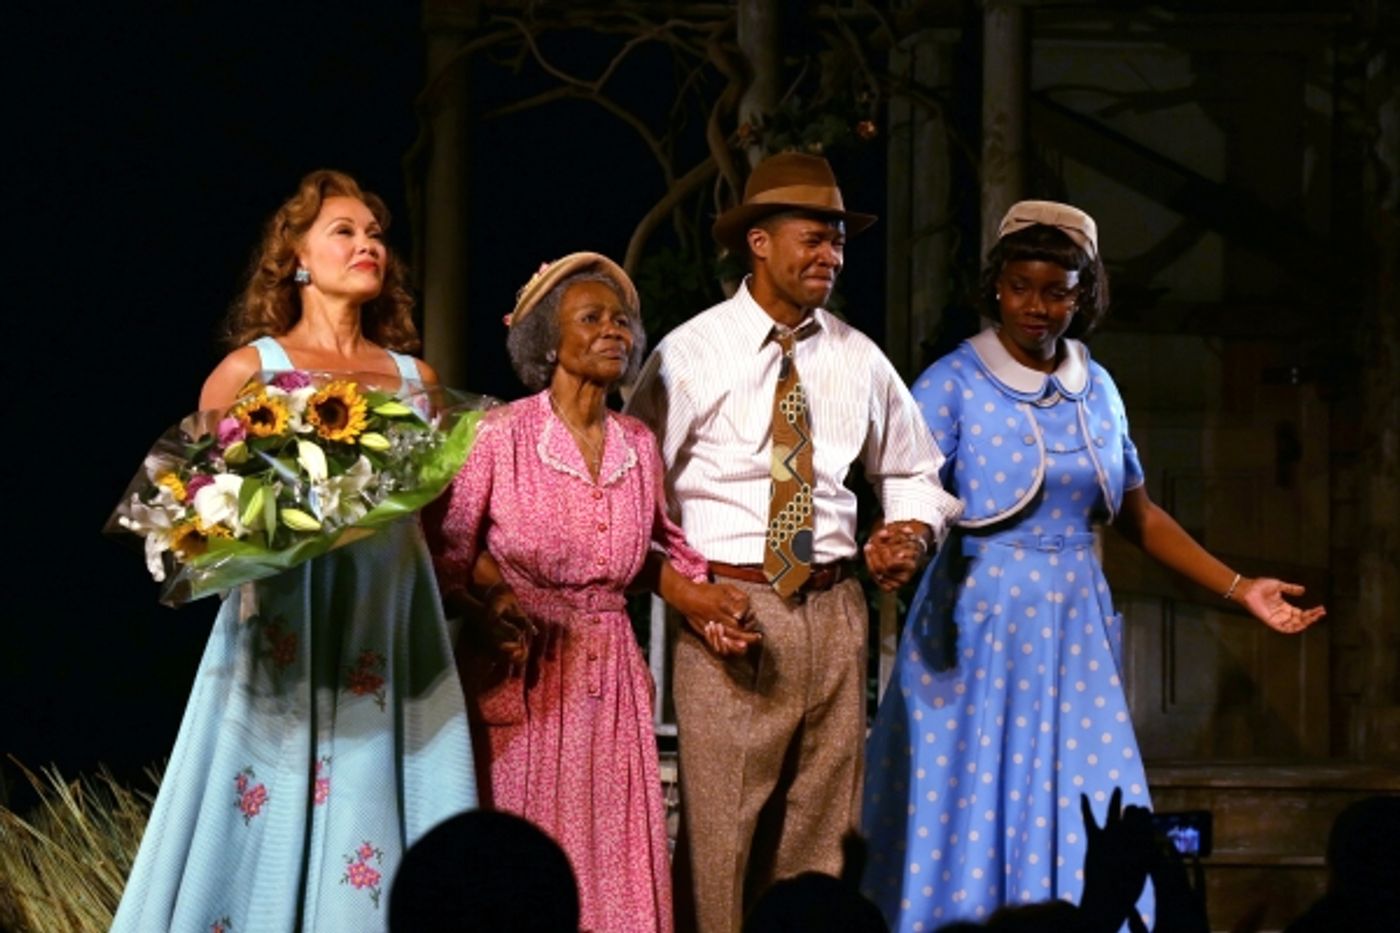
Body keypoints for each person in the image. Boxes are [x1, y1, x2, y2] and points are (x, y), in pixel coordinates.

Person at [861, 200, 1326, 930]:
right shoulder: (952, 382)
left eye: (1057, 290)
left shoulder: (1098, 387)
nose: (1037, 306)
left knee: (1084, 793)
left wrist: (1241, 589)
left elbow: (1138, 513)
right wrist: (902, 539)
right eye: (1020, 286)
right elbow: (913, 488)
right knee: (973, 799)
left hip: (1075, 624)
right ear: (996, 288)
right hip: (979, 624)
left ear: (1084, 294)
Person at [112, 170, 478, 932]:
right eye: (344, 230)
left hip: (387, 613)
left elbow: (438, 520)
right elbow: (195, 509)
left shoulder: (417, 379)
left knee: (380, 792)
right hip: (285, 619)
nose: (367, 244)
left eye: (375, 233)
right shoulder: (253, 370)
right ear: (298, 257)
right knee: (263, 800)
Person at [626, 151, 964, 933]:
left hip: (835, 605)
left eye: (839, 241)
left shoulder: (857, 356)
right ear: (759, 243)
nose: (831, 255)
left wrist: (907, 530)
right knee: (722, 838)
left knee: (821, 832)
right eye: (814, 238)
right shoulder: (689, 353)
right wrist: (687, 592)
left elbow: (915, 469)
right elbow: (634, 492)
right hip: (732, 610)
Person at [425, 252, 749, 933]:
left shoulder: (637, 442)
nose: (615, 331)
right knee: (518, 858)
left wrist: (703, 602)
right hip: (525, 668)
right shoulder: (500, 433)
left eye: (623, 321)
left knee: (615, 853)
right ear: (548, 338)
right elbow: (451, 548)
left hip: (612, 678)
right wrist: (491, 608)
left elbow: (649, 550)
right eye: (592, 318)